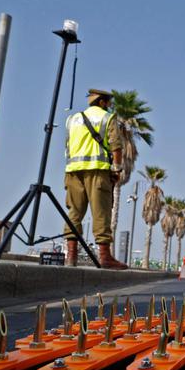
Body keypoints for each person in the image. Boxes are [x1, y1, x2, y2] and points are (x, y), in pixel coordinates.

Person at [64, 89, 128, 270]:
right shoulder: (107, 118)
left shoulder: (72, 119)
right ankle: (105, 258)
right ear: (102, 102)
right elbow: (116, 146)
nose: (109, 105)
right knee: (101, 213)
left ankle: (71, 257)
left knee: (74, 213)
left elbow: (67, 146)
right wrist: (116, 170)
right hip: (98, 171)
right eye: (108, 102)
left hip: (73, 171)